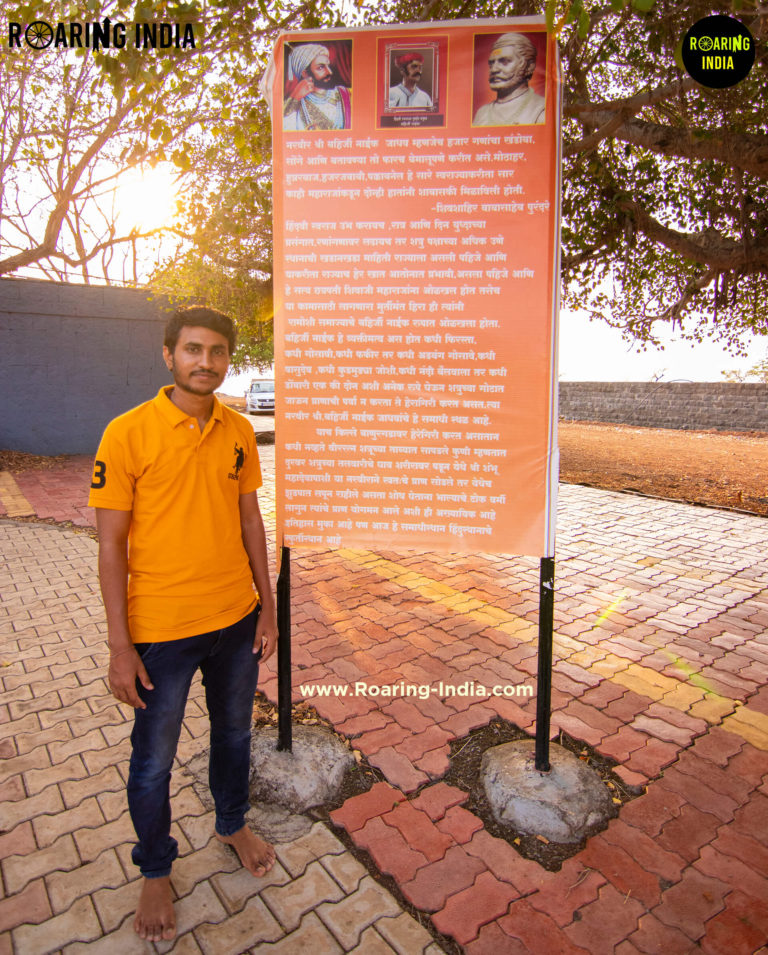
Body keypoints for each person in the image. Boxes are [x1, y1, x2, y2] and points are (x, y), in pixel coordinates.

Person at [89, 306, 278, 942]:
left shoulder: (239, 431)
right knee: (153, 763)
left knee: (233, 737)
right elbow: (110, 548)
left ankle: (231, 824)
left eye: (218, 351)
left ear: (228, 359)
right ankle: (154, 868)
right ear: (168, 355)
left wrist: (268, 609)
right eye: (193, 349)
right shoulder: (126, 433)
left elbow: (251, 521)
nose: (206, 362)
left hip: (235, 622)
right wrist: (121, 647)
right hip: (161, 632)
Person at [473, 33, 546, 126]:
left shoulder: (540, 109)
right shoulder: (482, 113)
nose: (494, 69)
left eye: (504, 62)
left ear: (528, 67)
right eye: (491, 63)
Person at [284, 42, 351, 130]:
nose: (329, 72)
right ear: (305, 73)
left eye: (328, 66)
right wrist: (295, 97)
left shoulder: (345, 93)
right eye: (320, 68)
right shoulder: (295, 103)